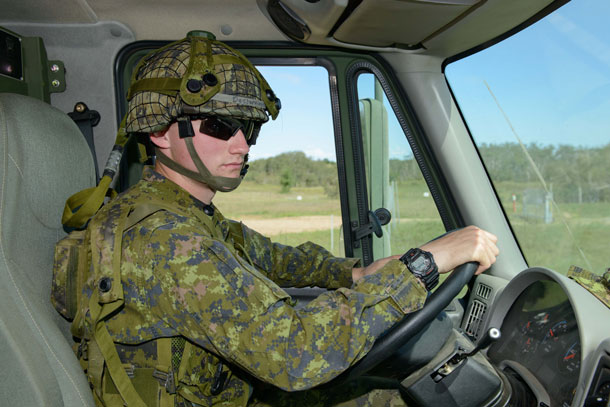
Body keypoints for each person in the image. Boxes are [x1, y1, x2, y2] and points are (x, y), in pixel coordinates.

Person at [71, 31, 499, 407]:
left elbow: (270, 257)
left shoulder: (178, 211)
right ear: (161, 132)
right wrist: (421, 266)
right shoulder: (163, 239)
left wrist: (355, 273)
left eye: (249, 128)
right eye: (221, 126)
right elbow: (295, 353)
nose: (242, 145)